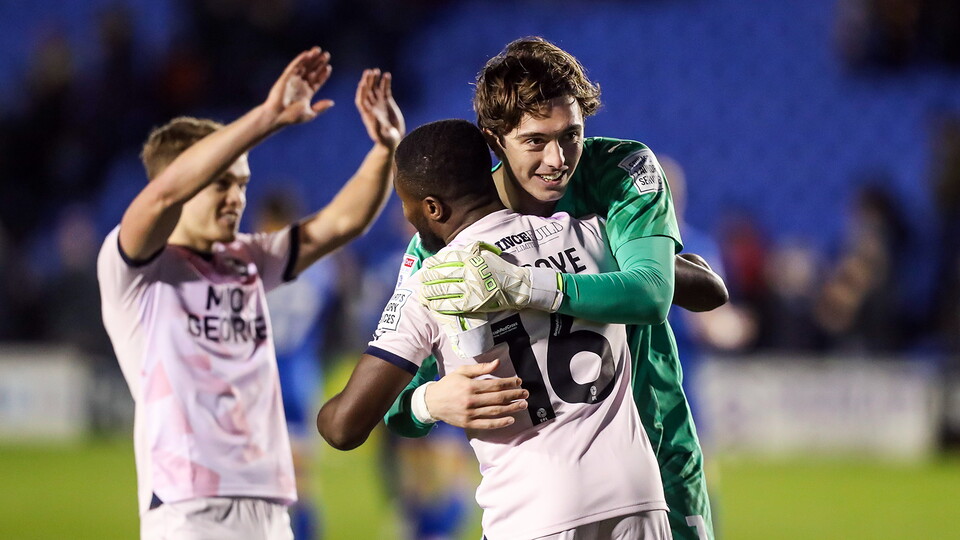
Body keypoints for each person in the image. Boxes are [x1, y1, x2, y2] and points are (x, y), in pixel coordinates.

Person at [384, 38, 722, 540]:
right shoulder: (443, 244)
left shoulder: (619, 173)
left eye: (572, 136)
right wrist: (428, 402)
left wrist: (529, 285)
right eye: (536, 141)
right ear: (494, 139)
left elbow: (653, 295)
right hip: (538, 501)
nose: (558, 158)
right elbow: (389, 401)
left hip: (657, 451)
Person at [97, 47, 404, 539]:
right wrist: (267, 117)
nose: (238, 197)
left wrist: (386, 149)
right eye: (222, 183)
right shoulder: (133, 268)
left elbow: (341, 223)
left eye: (242, 183)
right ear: (188, 180)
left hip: (270, 507)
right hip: (190, 510)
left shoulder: (247, 258)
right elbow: (161, 196)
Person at [317, 119, 672, 540]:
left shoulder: (432, 285)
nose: (407, 216)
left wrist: (427, 402)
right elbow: (694, 285)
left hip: (532, 511)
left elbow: (342, 427)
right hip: (639, 499)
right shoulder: (587, 233)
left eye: (405, 203)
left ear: (432, 208)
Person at [257, 192, 342, 539]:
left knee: (261, 479)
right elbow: (333, 319)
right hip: (301, 376)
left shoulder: (255, 264)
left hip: (261, 380)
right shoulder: (319, 267)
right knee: (300, 480)